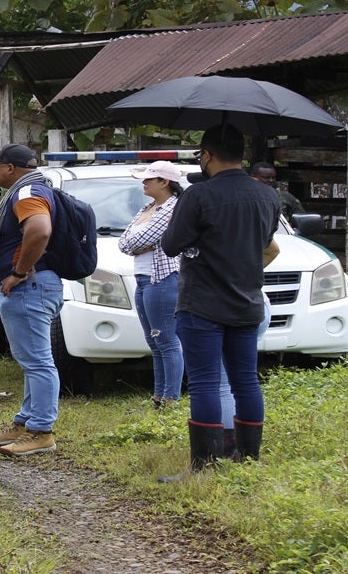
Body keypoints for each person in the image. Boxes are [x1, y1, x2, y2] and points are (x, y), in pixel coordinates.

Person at [160, 124, 281, 478]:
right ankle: (247, 460)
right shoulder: (268, 197)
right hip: (247, 301)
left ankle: (203, 465)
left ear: (208, 155)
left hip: (202, 303)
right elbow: (264, 244)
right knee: (246, 380)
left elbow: (171, 245)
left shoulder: (198, 196)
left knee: (205, 382)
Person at [0, 144, 61, 457]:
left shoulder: (26, 193)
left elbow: (39, 231)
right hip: (35, 287)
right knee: (31, 361)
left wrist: (18, 271)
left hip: (30, 287)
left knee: (38, 362)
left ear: (9, 168)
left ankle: (42, 431)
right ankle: (25, 422)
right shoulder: (32, 189)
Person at [118, 160, 185, 409]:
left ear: (165, 182)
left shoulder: (172, 208)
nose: (144, 183)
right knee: (155, 341)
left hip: (163, 278)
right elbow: (124, 242)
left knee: (166, 339)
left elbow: (142, 238)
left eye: (149, 179)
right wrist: (140, 244)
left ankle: (170, 397)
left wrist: (140, 244)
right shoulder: (149, 207)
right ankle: (159, 395)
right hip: (144, 278)